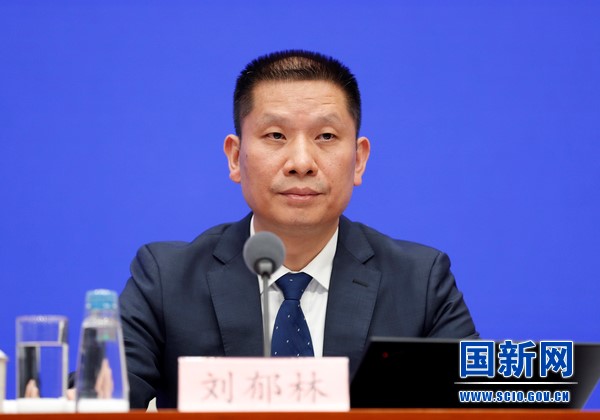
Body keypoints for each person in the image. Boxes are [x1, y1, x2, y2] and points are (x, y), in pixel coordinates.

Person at [119, 50, 478, 409]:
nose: (301, 163)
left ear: (359, 159)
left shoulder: (419, 283)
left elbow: (475, 407)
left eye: (326, 136)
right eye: (276, 135)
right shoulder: (167, 280)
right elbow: (103, 401)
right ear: (235, 157)